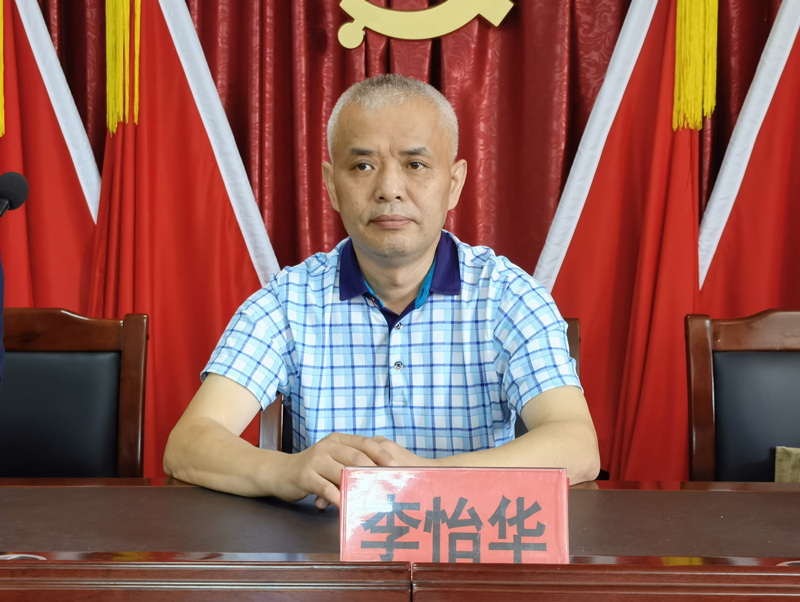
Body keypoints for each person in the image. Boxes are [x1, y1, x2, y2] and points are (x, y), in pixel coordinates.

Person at [164, 75, 600, 508]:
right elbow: (188, 443)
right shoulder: (288, 300)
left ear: (454, 183)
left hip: (467, 543)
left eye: (415, 165)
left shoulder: (507, 297)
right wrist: (287, 470)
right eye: (363, 166)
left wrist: (428, 479)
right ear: (332, 186)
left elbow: (577, 445)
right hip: (325, 547)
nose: (389, 189)